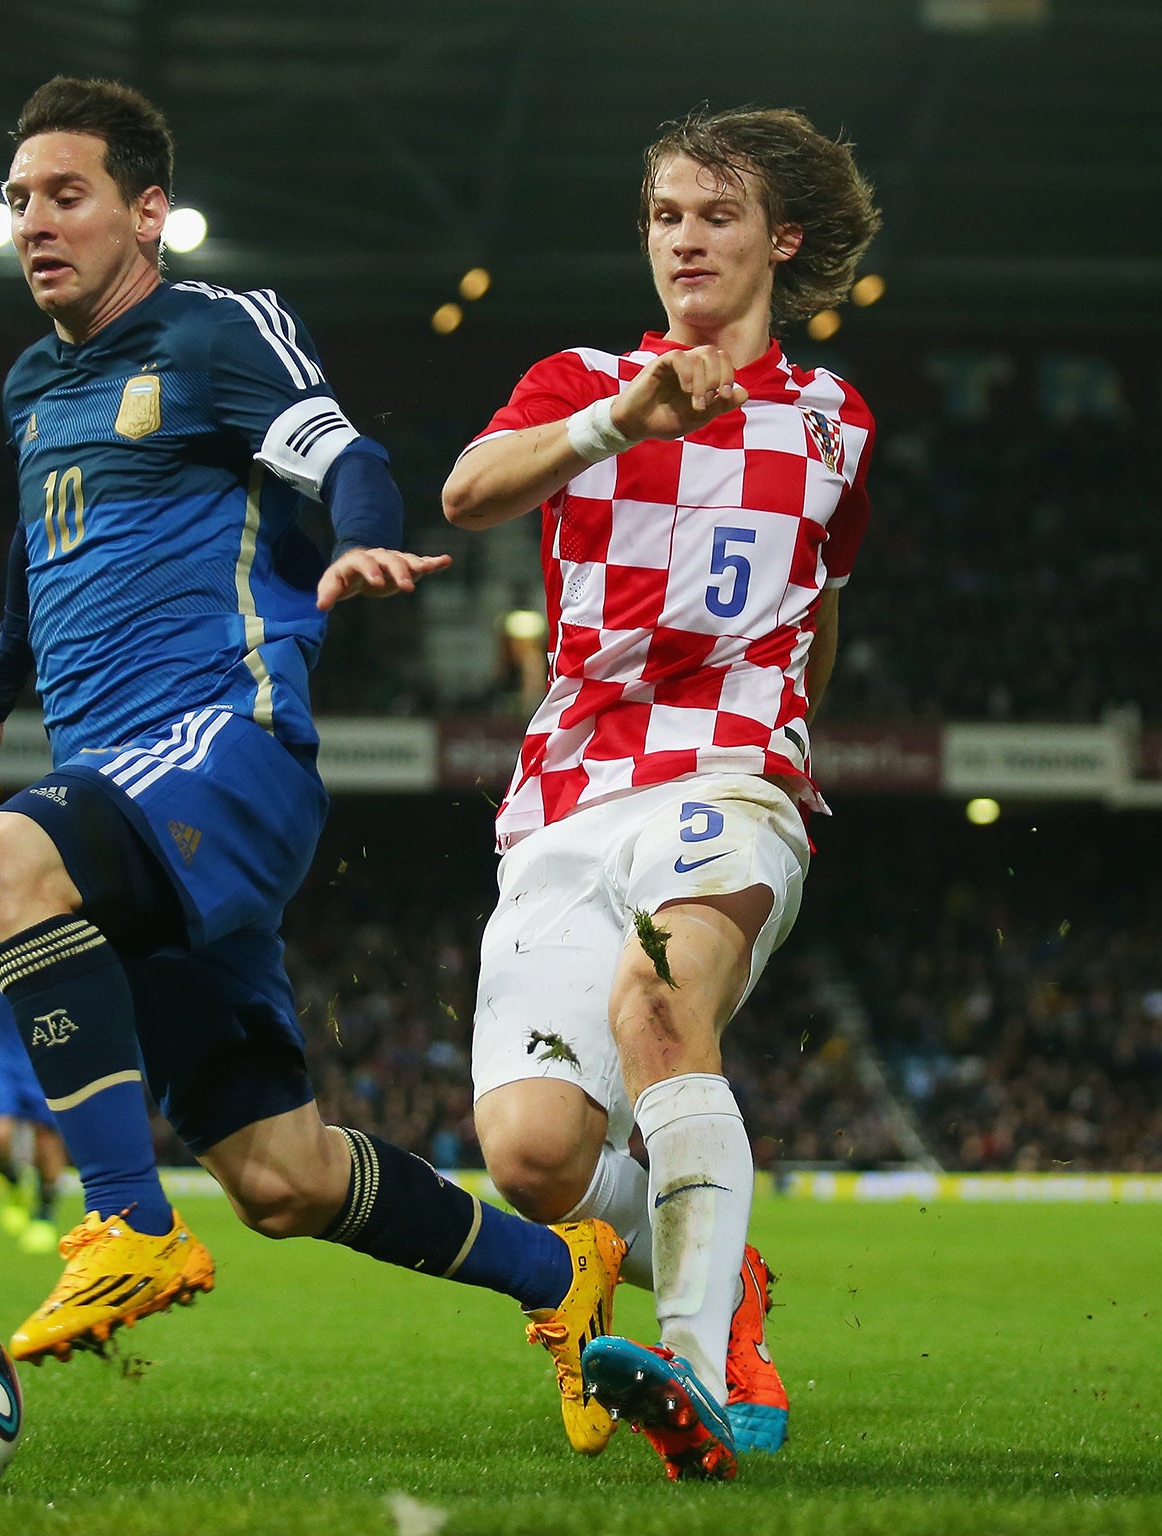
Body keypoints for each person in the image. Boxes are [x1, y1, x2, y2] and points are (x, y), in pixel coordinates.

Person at [0, 77, 623, 1421]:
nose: (33, 223)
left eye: (65, 195)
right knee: (283, 1179)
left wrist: (360, 527)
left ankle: (127, 1226)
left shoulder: (212, 332)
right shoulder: (33, 384)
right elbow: (36, 547)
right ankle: (562, 1271)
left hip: (219, 747)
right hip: (117, 785)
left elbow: (336, 445)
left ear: (150, 212)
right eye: (19, 200)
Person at [440, 104, 880, 1481]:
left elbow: (820, 613)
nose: (684, 239)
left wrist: (788, 754)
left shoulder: (834, 425)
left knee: (657, 1006)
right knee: (528, 1157)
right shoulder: (578, 376)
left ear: (780, 241)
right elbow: (464, 494)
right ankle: (723, 1273)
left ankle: (689, 1367)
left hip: (730, 773)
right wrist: (616, 421)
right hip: (569, 792)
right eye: (666, 216)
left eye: (717, 215)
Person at [0, 979, 68, 1252]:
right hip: (1, 1060)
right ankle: (13, 1181)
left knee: (47, 1140)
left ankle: (44, 1211)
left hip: (48, 1056)